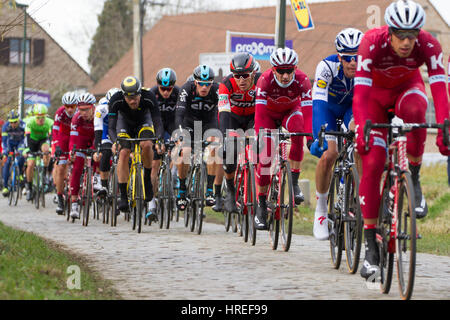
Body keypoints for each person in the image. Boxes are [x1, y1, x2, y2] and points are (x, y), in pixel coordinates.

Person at [352, 0, 450, 280]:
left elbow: (440, 91)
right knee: (372, 164)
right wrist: (361, 128)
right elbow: (359, 94)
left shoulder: (429, 45)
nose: (407, 42)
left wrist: (445, 126)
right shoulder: (371, 43)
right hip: (373, 99)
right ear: (389, 32)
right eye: (401, 35)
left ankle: (414, 176)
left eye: (412, 35)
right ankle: (371, 245)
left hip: (408, 90)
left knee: (418, 111)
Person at [309, 27, 363, 240]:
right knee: (330, 153)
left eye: (357, 57)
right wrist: (320, 133)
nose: (353, 62)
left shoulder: (366, 69)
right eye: (348, 58)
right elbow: (318, 103)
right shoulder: (326, 67)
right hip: (328, 110)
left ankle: (358, 195)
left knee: (360, 140)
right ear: (339, 57)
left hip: (352, 108)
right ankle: (321, 210)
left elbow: (367, 102)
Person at [253, 47, 313, 230]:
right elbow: (259, 114)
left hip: (290, 112)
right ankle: (261, 205)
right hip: (268, 116)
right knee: (265, 158)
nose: (285, 75)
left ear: (295, 69)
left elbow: (309, 112)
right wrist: (259, 136)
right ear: (273, 70)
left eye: (289, 71)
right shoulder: (264, 81)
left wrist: (309, 136)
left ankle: (294, 183)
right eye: (281, 71)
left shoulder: (302, 81)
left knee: (298, 130)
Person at [108, 76, 164, 216]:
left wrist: (159, 140)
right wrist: (115, 142)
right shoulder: (116, 99)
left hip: (143, 121)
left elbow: (157, 121)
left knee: (146, 144)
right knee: (123, 152)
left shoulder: (148, 97)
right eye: (129, 98)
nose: (133, 100)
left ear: (140, 93)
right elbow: (111, 126)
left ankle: (146, 178)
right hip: (124, 124)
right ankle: (123, 196)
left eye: (135, 97)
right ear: (123, 96)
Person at [218, 52, 261, 213]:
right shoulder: (226, 84)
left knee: (262, 150)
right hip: (232, 118)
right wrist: (224, 138)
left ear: (253, 73)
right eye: (237, 76)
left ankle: (260, 193)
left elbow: (265, 111)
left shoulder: (261, 81)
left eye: (245, 75)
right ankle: (230, 190)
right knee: (230, 153)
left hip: (253, 117)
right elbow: (223, 113)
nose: (241, 80)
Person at [174, 65, 220, 211]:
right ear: (195, 82)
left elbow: (224, 112)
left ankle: (210, 190)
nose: (204, 87)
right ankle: (182, 190)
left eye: (208, 84)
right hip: (189, 123)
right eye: (201, 83)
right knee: (185, 151)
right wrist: (181, 134)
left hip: (208, 123)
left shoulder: (217, 90)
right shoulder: (186, 89)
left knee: (215, 146)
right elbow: (179, 114)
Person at [149, 67, 180, 214]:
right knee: (154, 164)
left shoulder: (179, 93)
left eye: (169, 89)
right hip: (156, 124)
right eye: (163, 88)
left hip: (173, 123)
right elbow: (148, 119)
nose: (166, 92)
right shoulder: (152, 94)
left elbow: (183, 115)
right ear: (158, 85)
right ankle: (152, 201)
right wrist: (156, 140)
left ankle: (173, 171)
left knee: (179, 145)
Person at [68, 92, 97, 219]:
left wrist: (96, 150)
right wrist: (72, 152)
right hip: (81, 140)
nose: (83, 112)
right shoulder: (76, 118)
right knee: (77, 167)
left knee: (98, 157)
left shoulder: (98, 115)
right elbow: (73, 139)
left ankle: (97, 180)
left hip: (95, 139)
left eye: (86, 109)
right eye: (80, 110)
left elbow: (100, 137)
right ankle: (74, 203)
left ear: (93, 107)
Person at [53, 91, 78, 214]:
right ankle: (59, 198)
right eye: (66, 106)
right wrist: (56, 145)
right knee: (61, 167)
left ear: (76, 105)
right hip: (63, 138)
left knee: (78, 162)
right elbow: (55, 130)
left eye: (72, 106)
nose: (69, 109)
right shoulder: (60, 112)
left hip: (75, 138)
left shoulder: (79, 113)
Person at [93, 88, 120, 198]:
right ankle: (104, 186)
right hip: (105, 131)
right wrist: (98, 149)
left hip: (119, 130)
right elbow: (98, 128)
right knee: (105, 154)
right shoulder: (101, 109)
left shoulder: (124, 107)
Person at [24, 104, 54, 201]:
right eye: (38, 117)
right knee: (31, 164)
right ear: (34, 116)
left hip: (42, 141)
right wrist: (29, 151)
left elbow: (51, 137)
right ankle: (29, 188)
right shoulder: (30, 122)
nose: (41, 120)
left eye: (43, 117)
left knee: (46, 151)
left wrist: (50, 150)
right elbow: (27, 138)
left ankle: (44, 173)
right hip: (32, 142)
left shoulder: (49, 122)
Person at [1, 109, 26, 197]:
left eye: (15, 122)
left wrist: (23, 150)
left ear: (18, 120)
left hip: (20, 142)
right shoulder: (5, 126)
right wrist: (5, 152)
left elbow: (25, 139)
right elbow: (4, 141)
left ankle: (20, 174)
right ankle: (5, 187)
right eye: (11, 122)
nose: (13, 124)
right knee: (7, 162)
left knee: (21, 155)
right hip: (10, 143)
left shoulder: (23, 125)